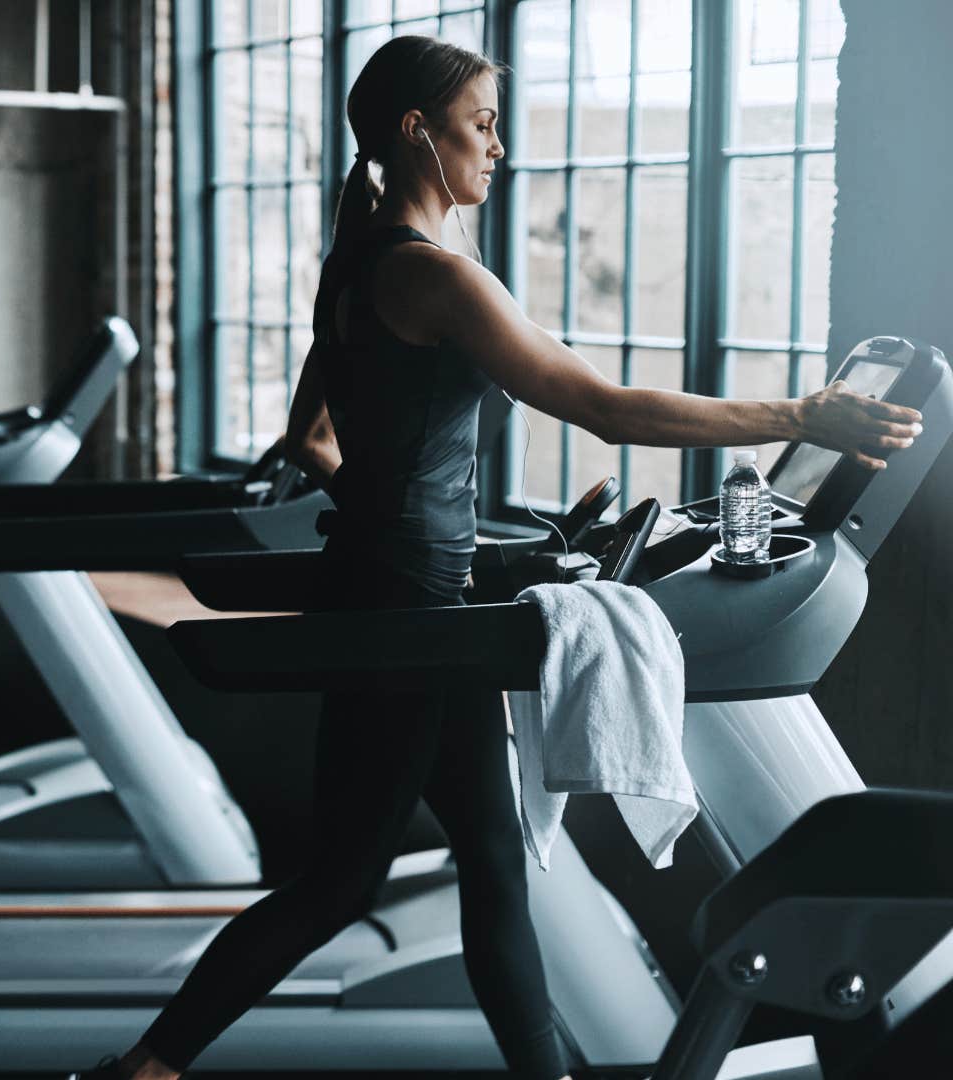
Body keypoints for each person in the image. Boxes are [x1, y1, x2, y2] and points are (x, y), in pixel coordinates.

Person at [74, 35, 922, 1080]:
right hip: (415, 613)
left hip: (407, 595)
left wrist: (426, 528)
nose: (499, 146)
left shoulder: (353, 263)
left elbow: (317, 443)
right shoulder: (434, 277)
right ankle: (148, 1068)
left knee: (490, 866)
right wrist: (802, 413)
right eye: (480, 124)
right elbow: (602, 407)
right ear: (415, 132)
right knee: (342, 880)